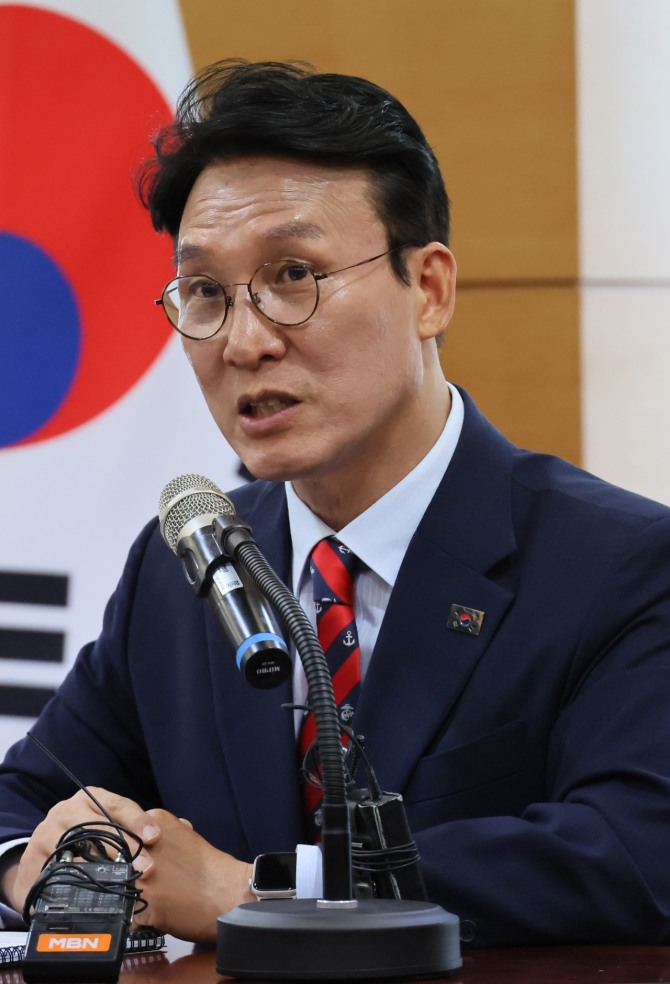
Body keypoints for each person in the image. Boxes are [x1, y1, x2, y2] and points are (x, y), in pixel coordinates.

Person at [2, 59, 670, 948]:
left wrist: (263, 892)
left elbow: (633, 853)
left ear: (428, 290)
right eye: (205, 293)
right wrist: (36, 864)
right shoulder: (187, 564)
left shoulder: (620, 564)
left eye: (294, 274)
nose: (244, 342)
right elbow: (22, 799)